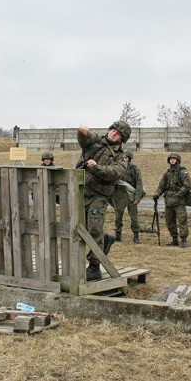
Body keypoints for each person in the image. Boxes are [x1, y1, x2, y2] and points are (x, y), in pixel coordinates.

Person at [76, 120, 130, 281]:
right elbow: (84, 135)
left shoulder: (121, 157)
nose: (114, 133)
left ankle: (94, 267)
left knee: (94, 229)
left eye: (118, 134)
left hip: (99, 196)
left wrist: (96, 167)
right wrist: (83, 130)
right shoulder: (95, 143)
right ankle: (105, 241)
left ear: (122, 139)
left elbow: (115, 172)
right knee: (79, 228)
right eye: (113, 130)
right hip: (80, 192)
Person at [153, 152, 191, 247]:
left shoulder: (183, 172)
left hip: (179, 202)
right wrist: (157, 194)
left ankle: (183, 239)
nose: (172, 160)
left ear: (178, 161)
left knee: (182, 220)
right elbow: (161, 185)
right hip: (169, 201)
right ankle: (174, 238)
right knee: (169, 220)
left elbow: (187, 185)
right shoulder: (167, 173)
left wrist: (179, 194)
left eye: (174, 159)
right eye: (171, 159)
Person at [113, 150, 145, 244]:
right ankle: (118, 234)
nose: (125, 159)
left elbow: (139, 184)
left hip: (131, 196)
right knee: (118, 217)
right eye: (123, 157)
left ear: (130, 158)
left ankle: (136, 235)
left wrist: (137, 198)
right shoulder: (117, 168)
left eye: (127, 157)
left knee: (134, 217)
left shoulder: (134, 169)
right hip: (119, 196)